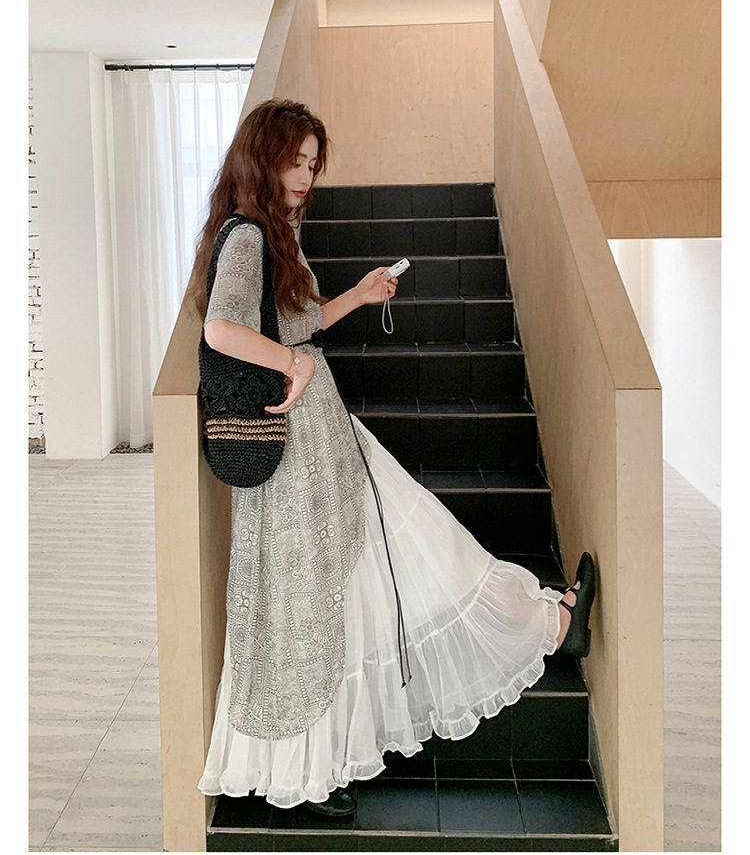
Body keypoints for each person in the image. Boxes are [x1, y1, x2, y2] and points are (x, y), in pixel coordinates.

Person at [191, 98, 596, 817]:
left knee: (366, 569)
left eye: (313, 164)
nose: (305, 176)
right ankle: (310, 770)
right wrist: (292, 362)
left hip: (316, 439)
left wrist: (358, 294)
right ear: (262, 157)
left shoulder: (273, 231)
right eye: (294, 161)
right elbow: (222, 330)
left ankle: (549, 623)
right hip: (294, 447)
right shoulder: (248, 235)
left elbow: (298, 323)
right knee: (334, 587)